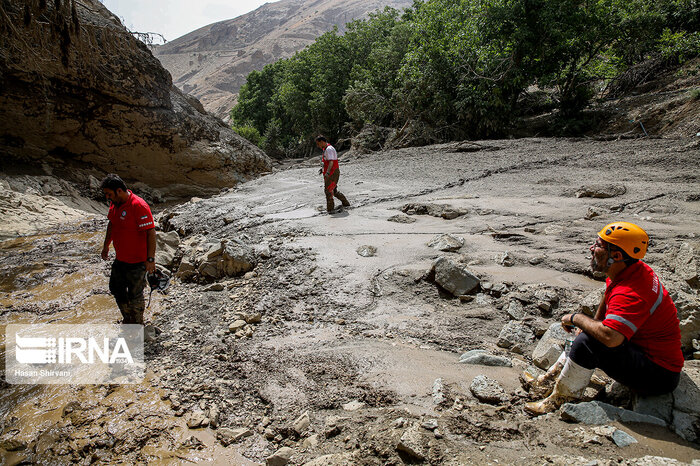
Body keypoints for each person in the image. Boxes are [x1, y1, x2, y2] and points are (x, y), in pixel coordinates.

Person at [525, 221, 684, 415]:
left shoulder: (632, 292)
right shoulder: (629, 270)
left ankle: (560, 399)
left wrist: (576, 318)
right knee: (588, 331)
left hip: (659, 375)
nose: (592, 248)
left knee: (587, 342)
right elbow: (607, 293)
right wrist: (591, 322)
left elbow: (611, 338)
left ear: (616, 255)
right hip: (646, 353)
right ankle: (548, 380)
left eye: (599, 245)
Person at [100, 174, 156, 325]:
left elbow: (150, 232)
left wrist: (150, 260)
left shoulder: (138, 205)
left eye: (109, 194)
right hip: (121, 259)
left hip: (137, 261)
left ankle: (138, 324)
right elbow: (111, 224)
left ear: (119, 191)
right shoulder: (115, 204)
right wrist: (106, 245)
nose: (107, 197)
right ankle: (127, 319)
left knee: (135, 294)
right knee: (116, 288)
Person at [316, 135, 350, 213]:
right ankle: (346, 203)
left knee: (328, 191)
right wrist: (322, 169)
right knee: (334, 191)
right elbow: (327, 162)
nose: (318, 146)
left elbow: (331, 162)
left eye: (318, 144)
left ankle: (330, 209)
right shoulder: (326, 149)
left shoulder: (329, 149)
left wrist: (327, 172)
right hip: (332, 171)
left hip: (332, 172)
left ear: (322, 142)